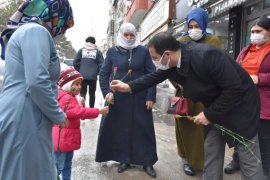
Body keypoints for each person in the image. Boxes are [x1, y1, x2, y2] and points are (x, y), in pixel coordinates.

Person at [111, 32, 265, 180]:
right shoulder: (173, 62)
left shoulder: (207, 55)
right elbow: (156, 76)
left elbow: (234, 89)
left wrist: (209, 115)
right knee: (211, 155)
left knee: (249, 162)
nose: (153, 61)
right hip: (215, 109)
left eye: (154, 57)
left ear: (167, 54)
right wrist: (128, 86)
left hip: (241, 109)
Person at [0, 0, 74, 179]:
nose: (63, 31)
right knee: (24, 172)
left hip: (23, 112)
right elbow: (36, 82)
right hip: (25, 114)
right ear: (57, 16)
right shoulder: (36, 31)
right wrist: (58, 114)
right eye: (65, 24)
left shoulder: (27, 31)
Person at [95, 22, 158, 178]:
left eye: (132, 35)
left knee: (144, 130)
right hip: (119, 99)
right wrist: (106, 93)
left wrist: (150, 96)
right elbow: (103, 74)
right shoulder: (112, 52)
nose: (129, 38)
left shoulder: (143, 51)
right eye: (126, 35)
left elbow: (152, 75)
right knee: (121, 130)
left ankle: (147, 162)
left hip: (141, 97)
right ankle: (125, 159)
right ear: (121, 35)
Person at [172, 7, 223, 176]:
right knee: (185, 127)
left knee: (204, 132)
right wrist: (178, 83)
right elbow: (172, 66)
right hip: (185, 96)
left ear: (204, 24)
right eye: (191, 26)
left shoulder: (213, 41)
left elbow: (219, 67)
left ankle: (205, 163)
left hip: (206, 97)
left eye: (197, 25)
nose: (193, 30)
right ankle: (185, 160)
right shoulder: (180, 41)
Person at [224, 16, 270, 179]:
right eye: (252, 31)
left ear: (268, 32)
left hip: (264, 103)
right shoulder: (247, 49)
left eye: (259, 31)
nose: (254, 34)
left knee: (264, 140)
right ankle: (237, 160)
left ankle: (264, 170)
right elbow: (236, 66)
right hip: (243, 101)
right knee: (241, 134)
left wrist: (260, 78)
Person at [52, 68, 109, 180]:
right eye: (76, 84)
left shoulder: (70, 97)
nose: (79, 87)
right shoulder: (66, 98)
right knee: (58, 167)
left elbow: (79, 114)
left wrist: (81, 104)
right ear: (67, 85)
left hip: (66, 140)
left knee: (67, 165)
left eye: (80, 84)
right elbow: (80, 112)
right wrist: (99, 111)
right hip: (62, 141)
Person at [73, 36, 104, 108]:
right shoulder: (98, 52)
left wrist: (79, 71)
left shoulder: (81, 51)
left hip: (82, 76)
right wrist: (97, 72)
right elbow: (102, 64)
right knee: (92, 93)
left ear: (86, 42)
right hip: (93, 76)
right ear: (94, 43)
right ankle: (91, 109)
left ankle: (82, 108)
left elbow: (75, 62)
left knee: (82, 92)